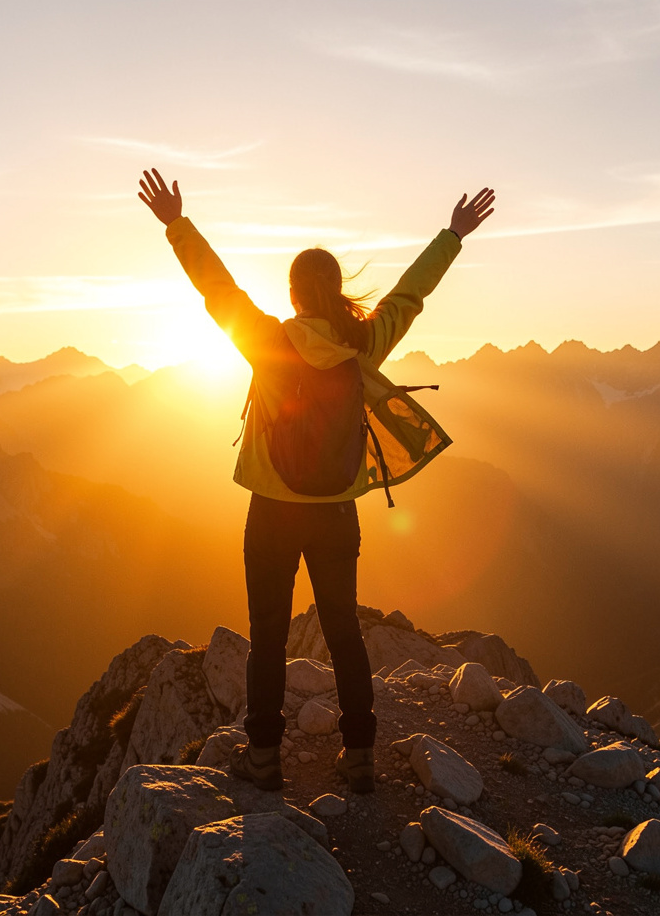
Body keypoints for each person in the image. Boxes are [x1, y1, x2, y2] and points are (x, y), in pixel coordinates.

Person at [138, 168, 495, 793]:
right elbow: (409, 297)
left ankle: (265, 759)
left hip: (271, 511)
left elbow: (215, 288)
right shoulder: (362, 344)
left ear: (295, 293)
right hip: (336, 513)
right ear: (334, 291)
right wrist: (453, 234)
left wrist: (176, 224)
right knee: (344, 633)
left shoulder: (267, 341)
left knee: (268, 635)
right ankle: (358, 758)